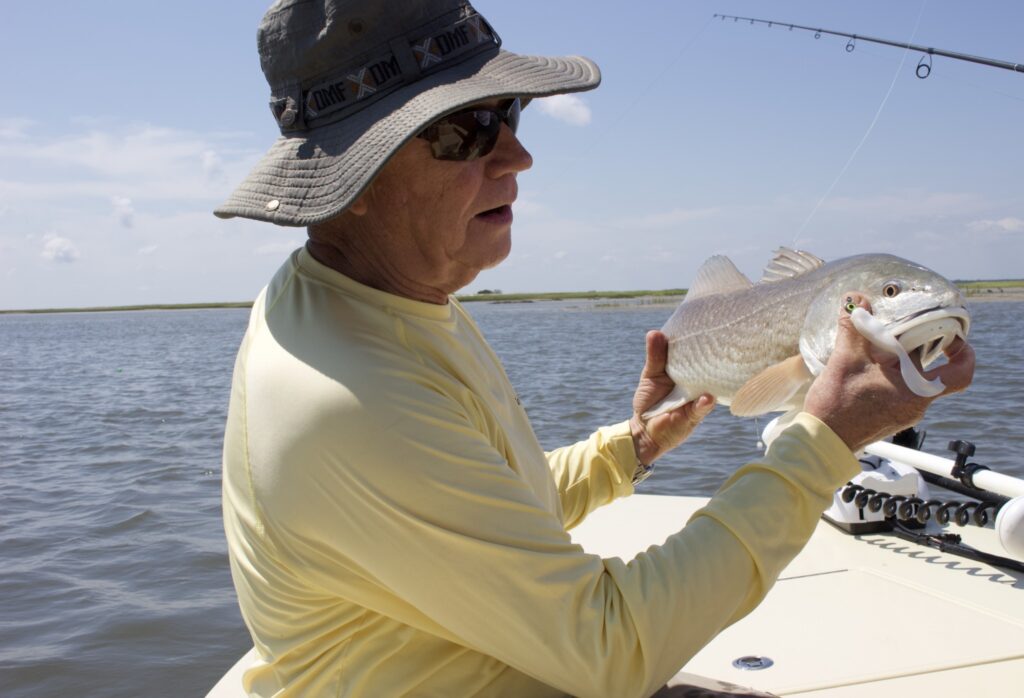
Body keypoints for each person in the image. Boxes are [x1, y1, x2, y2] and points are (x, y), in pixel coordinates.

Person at [216, 2, 975, 697]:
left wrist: (630, 450)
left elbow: (489, 506)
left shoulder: (383, 302)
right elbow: (609, 649)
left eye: (508, 113)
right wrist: (830, 435)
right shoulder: (349, 393)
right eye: (466, 130)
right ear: (356, 181)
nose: (516, 157)